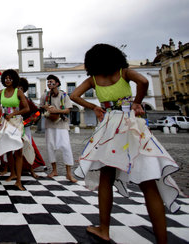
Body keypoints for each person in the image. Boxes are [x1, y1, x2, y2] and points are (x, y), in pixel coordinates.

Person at [70, 43, 182, 243]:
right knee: (149, 182)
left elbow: (73, 95)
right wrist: (137, 101)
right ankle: (162, 239)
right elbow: (144, 81)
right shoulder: (123, 72)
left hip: (110, 124)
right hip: (130, 123)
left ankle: (104, 229)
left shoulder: (94, 80)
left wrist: (94, 106)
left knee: (106, 176)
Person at [0, 69, 34, 191]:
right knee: (8, 150)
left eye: (10, 78)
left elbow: (26, 109)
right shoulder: (0, 93)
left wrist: (14, 113)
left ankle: (18, 181)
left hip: (16, 122)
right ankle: (12, 173)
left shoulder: (18, 92)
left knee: (18, 151)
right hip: (5, 123)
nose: (7, 80)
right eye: (6, 78)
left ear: (14, 79)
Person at [40, 74, 77, 183]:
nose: (49, 84)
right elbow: (40, 106)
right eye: (48, 82)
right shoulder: (45, 95)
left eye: (51, 82)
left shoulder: (64, 95)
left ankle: (69, 174)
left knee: (66, 147)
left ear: (57, 83)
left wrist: (56, 111)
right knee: (50, 147)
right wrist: (45, 107)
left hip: (62, 125)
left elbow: (67, 110)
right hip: (49, 124)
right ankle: (54, 170)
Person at [18, 77, 46, 178]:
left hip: (25, 128)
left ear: (22, 88)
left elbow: (37, 112)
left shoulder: (27, 100)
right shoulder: (12, 99)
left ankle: (31, 170)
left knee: (28, 149)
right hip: (13, 127)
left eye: (19, 87)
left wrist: (29, 121)